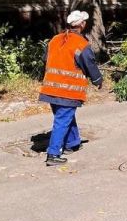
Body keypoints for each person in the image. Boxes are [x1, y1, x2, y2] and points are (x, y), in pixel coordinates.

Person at [38, 10, 103, 166]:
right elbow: (90, 65)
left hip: (50, 89)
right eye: (84, 22)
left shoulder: (54, 40)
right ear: (81, 25)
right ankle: (53, 154)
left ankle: (73, 143)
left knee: (66, 115)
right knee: (62, 119)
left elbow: (45, 60)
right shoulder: (81, 44)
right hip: (68, 91)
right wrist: (98, 80)